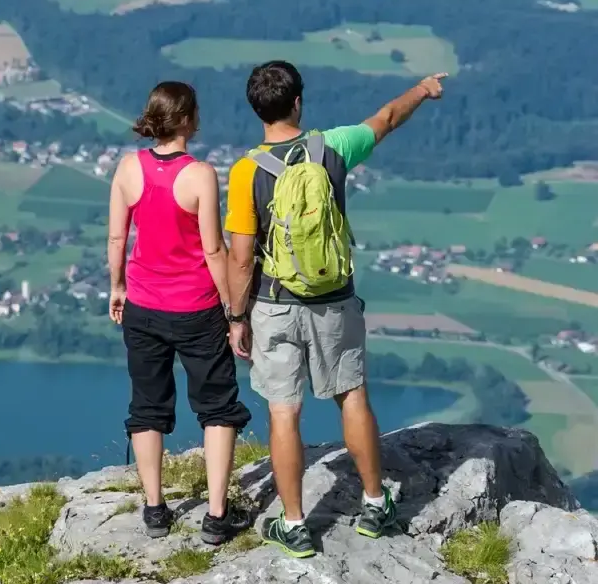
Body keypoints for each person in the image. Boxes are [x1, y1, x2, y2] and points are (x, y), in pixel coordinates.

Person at [223, 61, 447, 558]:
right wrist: (422, 89)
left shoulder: (245, 172)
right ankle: (373, 503)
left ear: (256, 110)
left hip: (275, 304)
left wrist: (236, 318)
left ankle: (296, 524)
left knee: (284, 411)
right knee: (351, 395)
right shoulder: (333, 147)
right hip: (335, 299)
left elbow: (241, 257)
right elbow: (387, 117)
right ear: (298, 101)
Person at [107, 81, 253, 546]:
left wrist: (117, 286)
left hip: (143, 306)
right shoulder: (201, 175)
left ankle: (154, 509)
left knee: (147, 407)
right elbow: (213, 249)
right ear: (189, 119)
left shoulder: (128, 168)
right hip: (197, 309)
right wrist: (235, 310)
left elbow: (117, 239)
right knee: (217, 408)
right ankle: (215, 515)